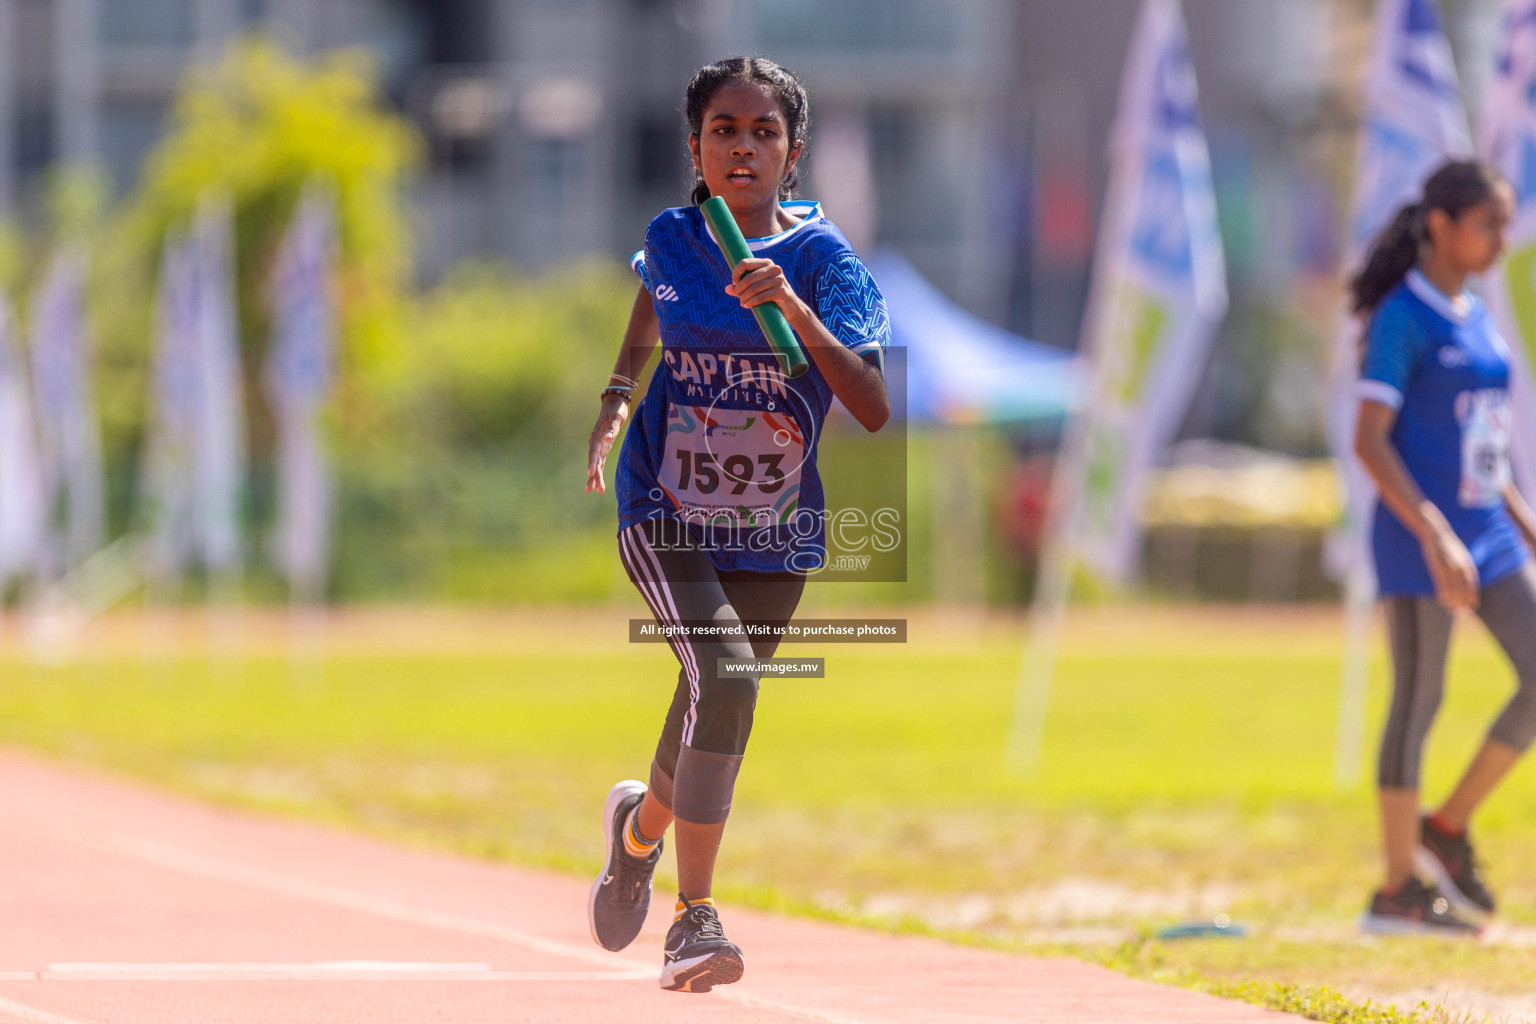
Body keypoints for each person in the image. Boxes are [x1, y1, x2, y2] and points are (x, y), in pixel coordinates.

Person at [582, 56, 890, 991]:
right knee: (725, 676)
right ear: (697, 146)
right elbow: (653, 297)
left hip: (776, 529)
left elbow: (873, 406)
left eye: (763, 132)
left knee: (709, 700)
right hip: (664, 509)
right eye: (724, 130)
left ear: (792, 153)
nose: (743, 146)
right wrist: (617, 394)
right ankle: (695, 920)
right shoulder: (674, 237)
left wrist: (787, 304)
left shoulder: (827, 262)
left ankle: (638, 835)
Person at [1351, 159, 1536, 935]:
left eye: (1503, 222)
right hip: (1417, 538)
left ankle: (1449, 826)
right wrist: (1432, 534)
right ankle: (1396, 892)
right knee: (1418, 702)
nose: (1501, 238)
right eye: (1487, 223)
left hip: (1487, 535)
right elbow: (1370, 442)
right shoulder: (1403, 317)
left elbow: (1486, 431)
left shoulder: (1474, 309)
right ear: (1440, 224)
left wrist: (1524, 519)